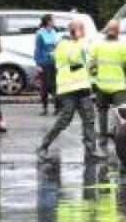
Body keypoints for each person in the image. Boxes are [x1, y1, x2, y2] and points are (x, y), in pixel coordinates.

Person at [37, 19, 98, 162]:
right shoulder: (64, 44)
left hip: (82, 87)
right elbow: (74, 60)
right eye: (81, 29)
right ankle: (43, 146)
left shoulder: (80, 44)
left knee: (89, 119)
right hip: (69, 89)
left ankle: (91, 150)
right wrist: (82, 47)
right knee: (64, 120)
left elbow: (85, 64)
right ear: (74, 30)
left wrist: (92, 68)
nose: (84, 31)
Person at [88, 18, 126, 136]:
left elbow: (91, 66)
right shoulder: (122, 47)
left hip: (102, 86)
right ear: (117, 31)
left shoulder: (97, 46)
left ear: (107, 30)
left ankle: (103, 133)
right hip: (118, 87)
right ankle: (117, 133)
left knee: (102, 110)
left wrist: (95, 73)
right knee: (119, 111)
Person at [32, 14, 61, 114]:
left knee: (55, 85)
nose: (55, 22)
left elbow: (55, 46)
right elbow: (37, 49)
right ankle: (45, 108)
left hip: (53, 61)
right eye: (53, 20)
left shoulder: (53, 32)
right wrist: (38, 64)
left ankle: (57, 108)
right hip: (44, 62)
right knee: (45, 86)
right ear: (48, 21)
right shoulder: (40, 34)